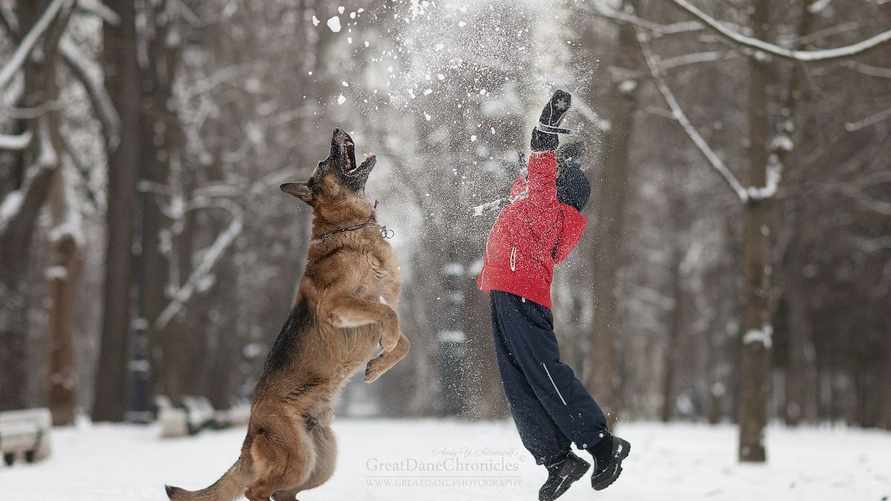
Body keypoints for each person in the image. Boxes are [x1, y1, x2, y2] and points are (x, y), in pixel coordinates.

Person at [477, 90, 630, 501]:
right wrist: (572, 156)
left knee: (544, 375)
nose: (529, 183)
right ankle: (557, 459)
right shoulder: (539, 205)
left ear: (556, 191)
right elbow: (529, 179)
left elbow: (538, 167)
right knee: (519, 385)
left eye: (545, 180)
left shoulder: (545, 209)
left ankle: (601, 444)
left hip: (520, 296)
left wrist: (547, 128)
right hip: (505, 294)